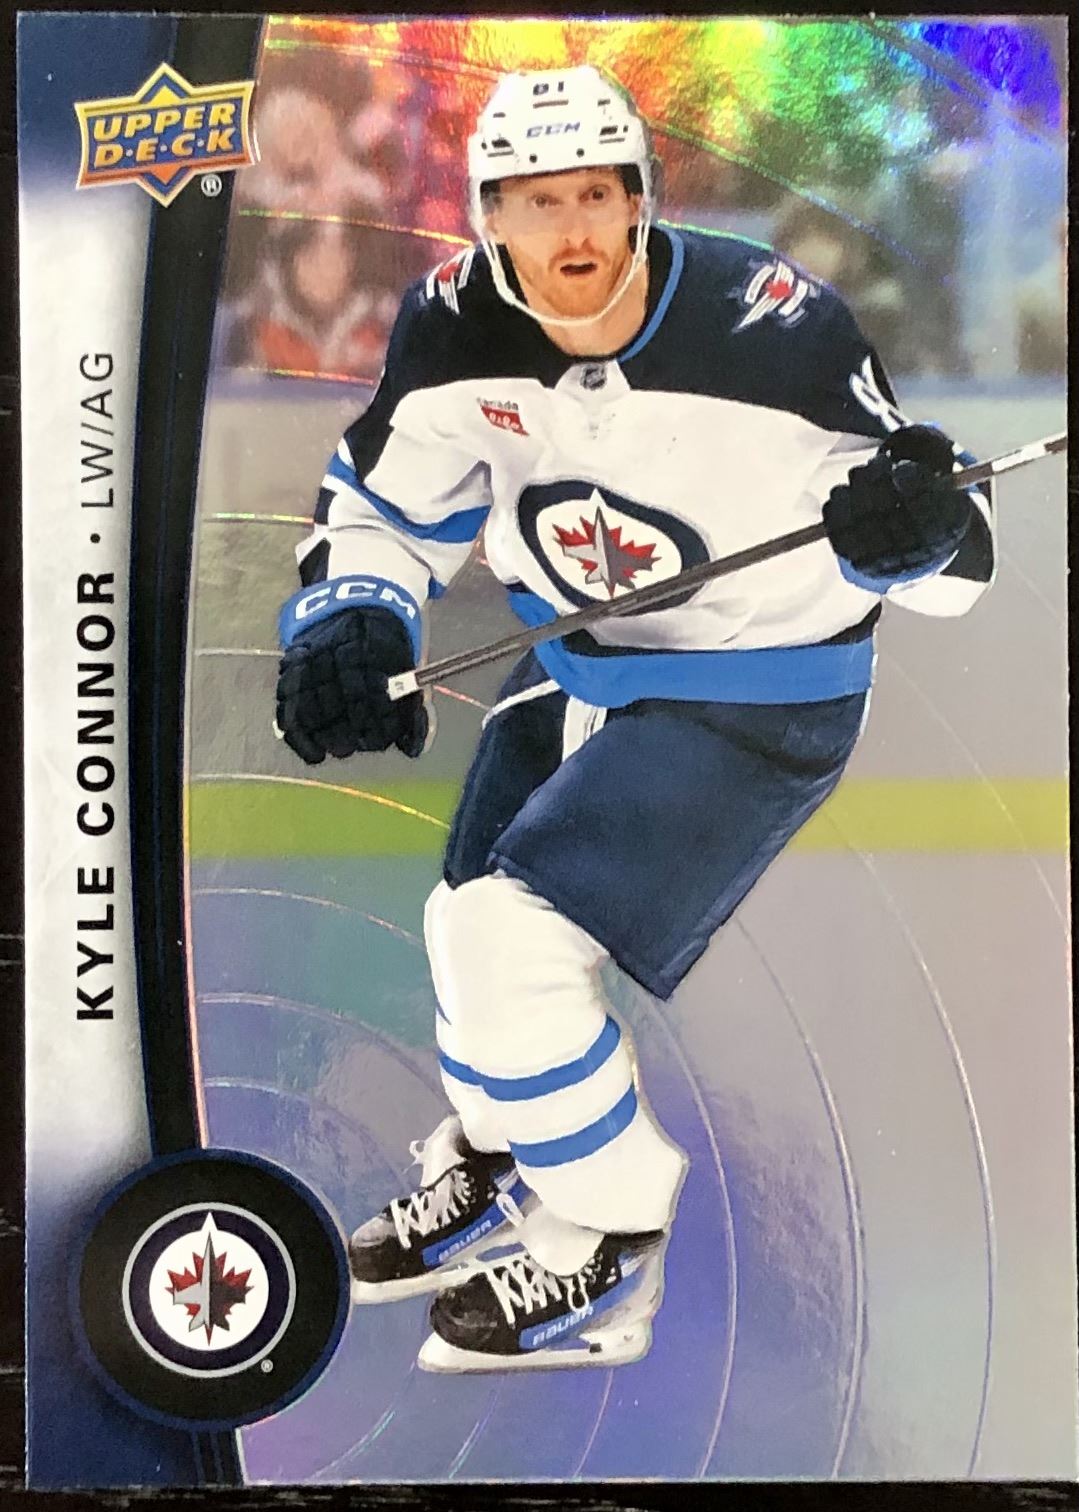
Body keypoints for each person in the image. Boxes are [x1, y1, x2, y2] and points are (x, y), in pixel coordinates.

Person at [274, 66, 994, 1373]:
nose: (572, 232)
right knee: (459, 919)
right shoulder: (451, 323)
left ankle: (604, 1237)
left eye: (596, 196)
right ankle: (505, 1151)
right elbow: (388, 499)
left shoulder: (772, 325)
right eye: (536, 202)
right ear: (489, 216)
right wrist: (356, 613)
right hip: (581, 663)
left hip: (755, 691)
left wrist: (917, 532)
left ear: (640, 201)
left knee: (510, 941)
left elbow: (951, 544)